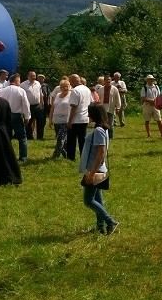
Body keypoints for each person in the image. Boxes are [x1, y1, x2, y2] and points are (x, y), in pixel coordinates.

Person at [79, 104, 118, 235]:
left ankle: (110, 221)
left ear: (94, 115)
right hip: (97, 169)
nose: (88, 115)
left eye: (89, 113)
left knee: (88, 201)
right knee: (98, 199)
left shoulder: (99, 131)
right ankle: (100, 227)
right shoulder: (102, 129)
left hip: (95, 170)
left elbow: (101, 153)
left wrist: (92, 172)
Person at [0, 74, 30, 162]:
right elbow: (26, 105)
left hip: (4, 115)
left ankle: (5, 156)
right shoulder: (21, 91)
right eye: (19, 81)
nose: (20, 82)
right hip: (16, 115)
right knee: (22, 137)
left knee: (6, 136)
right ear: (16, 81)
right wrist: (27, 117)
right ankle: (23, 157)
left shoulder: (0, 91)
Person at [67, 74, 92, 160]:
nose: (70, 83)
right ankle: (84, 156)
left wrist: (70, 121)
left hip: (76, 119)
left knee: (71, 140)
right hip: (84, 118)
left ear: (73, 81)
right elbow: (90, 103)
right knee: (83, 140)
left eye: (70, 81)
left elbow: (74, 107)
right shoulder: (87, 89)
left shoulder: (75, 90)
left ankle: (71, 157)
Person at [50, 78, 72, 158]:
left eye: (67, 86)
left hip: (65, 120)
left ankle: (55, 155)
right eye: (63, 86)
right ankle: (67, 155)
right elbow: (53, 107)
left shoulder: (71, 95)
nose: (65, 88)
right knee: (63, 139)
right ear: (60, 87)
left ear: (69, 86)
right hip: (56, 120)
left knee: (60, 139)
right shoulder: (58, 95)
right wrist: (50, 119)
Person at [96, 73, 121, 139]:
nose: (108, 81)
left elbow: (117, 98)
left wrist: (118, 107)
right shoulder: (101, 89)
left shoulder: (114, 89)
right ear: (104, 81)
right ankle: (102, 136)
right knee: (102, 123)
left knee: (110, 123)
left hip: (111, 108)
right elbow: (98, 98)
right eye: (106, 80)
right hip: (102, 108)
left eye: (109, 80)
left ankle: (110, 137)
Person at [21, 71, 43, 140]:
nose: (34, 77)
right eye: (32, 76)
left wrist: (42, 104)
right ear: (28, 76)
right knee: (29, 122)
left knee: (40, 122)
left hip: (38, 105)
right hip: (29, 106)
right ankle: (29, 137)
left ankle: (40, 137)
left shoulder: (38, 83)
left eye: (34, 76)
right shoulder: (23, 85)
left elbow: (40, 94)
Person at [140, 75, 162, 139]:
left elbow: (159, 96)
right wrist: (151, 101)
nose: (151, 80)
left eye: (152, 79)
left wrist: (156, 101)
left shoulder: (156, 87)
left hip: (156, 105)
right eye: (149, 79)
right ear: (147, 80)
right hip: (147, 106)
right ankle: (148, 134)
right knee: (147, 120)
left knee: (159, 120)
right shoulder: (144, 88)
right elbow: (143, 98)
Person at [37, 74, 50, 138]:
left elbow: (48, 94)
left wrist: (48, 103)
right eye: (39, 78)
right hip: (36, 104)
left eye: (42, 78)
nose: (40, 79)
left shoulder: (46, 85)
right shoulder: (36, 85)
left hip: (44, 104)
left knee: (42, 120)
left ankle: (40, 135)